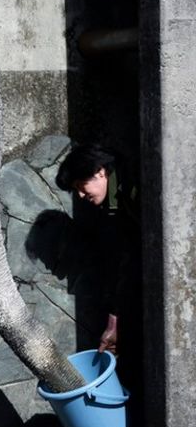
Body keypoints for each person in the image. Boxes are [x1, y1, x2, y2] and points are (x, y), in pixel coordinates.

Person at [55, 143, 140, 356]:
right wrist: (113, 322)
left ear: (100, 172)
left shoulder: (135, 184)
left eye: (80, 186)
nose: (81, 196)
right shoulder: (114, 204)